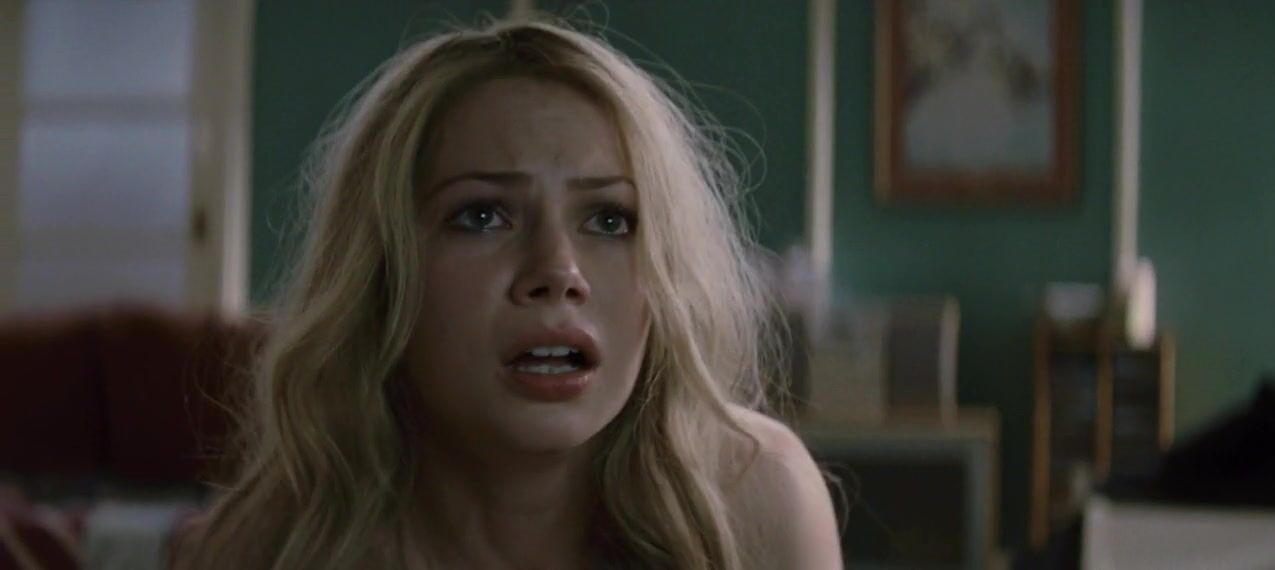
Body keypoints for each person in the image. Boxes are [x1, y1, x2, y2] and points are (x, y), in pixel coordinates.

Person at [173, 17, 841, 570]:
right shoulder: (268, 549)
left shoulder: (758, 503)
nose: (559, 270)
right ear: (382, 270)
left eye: (610, 220)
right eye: (483, 216)